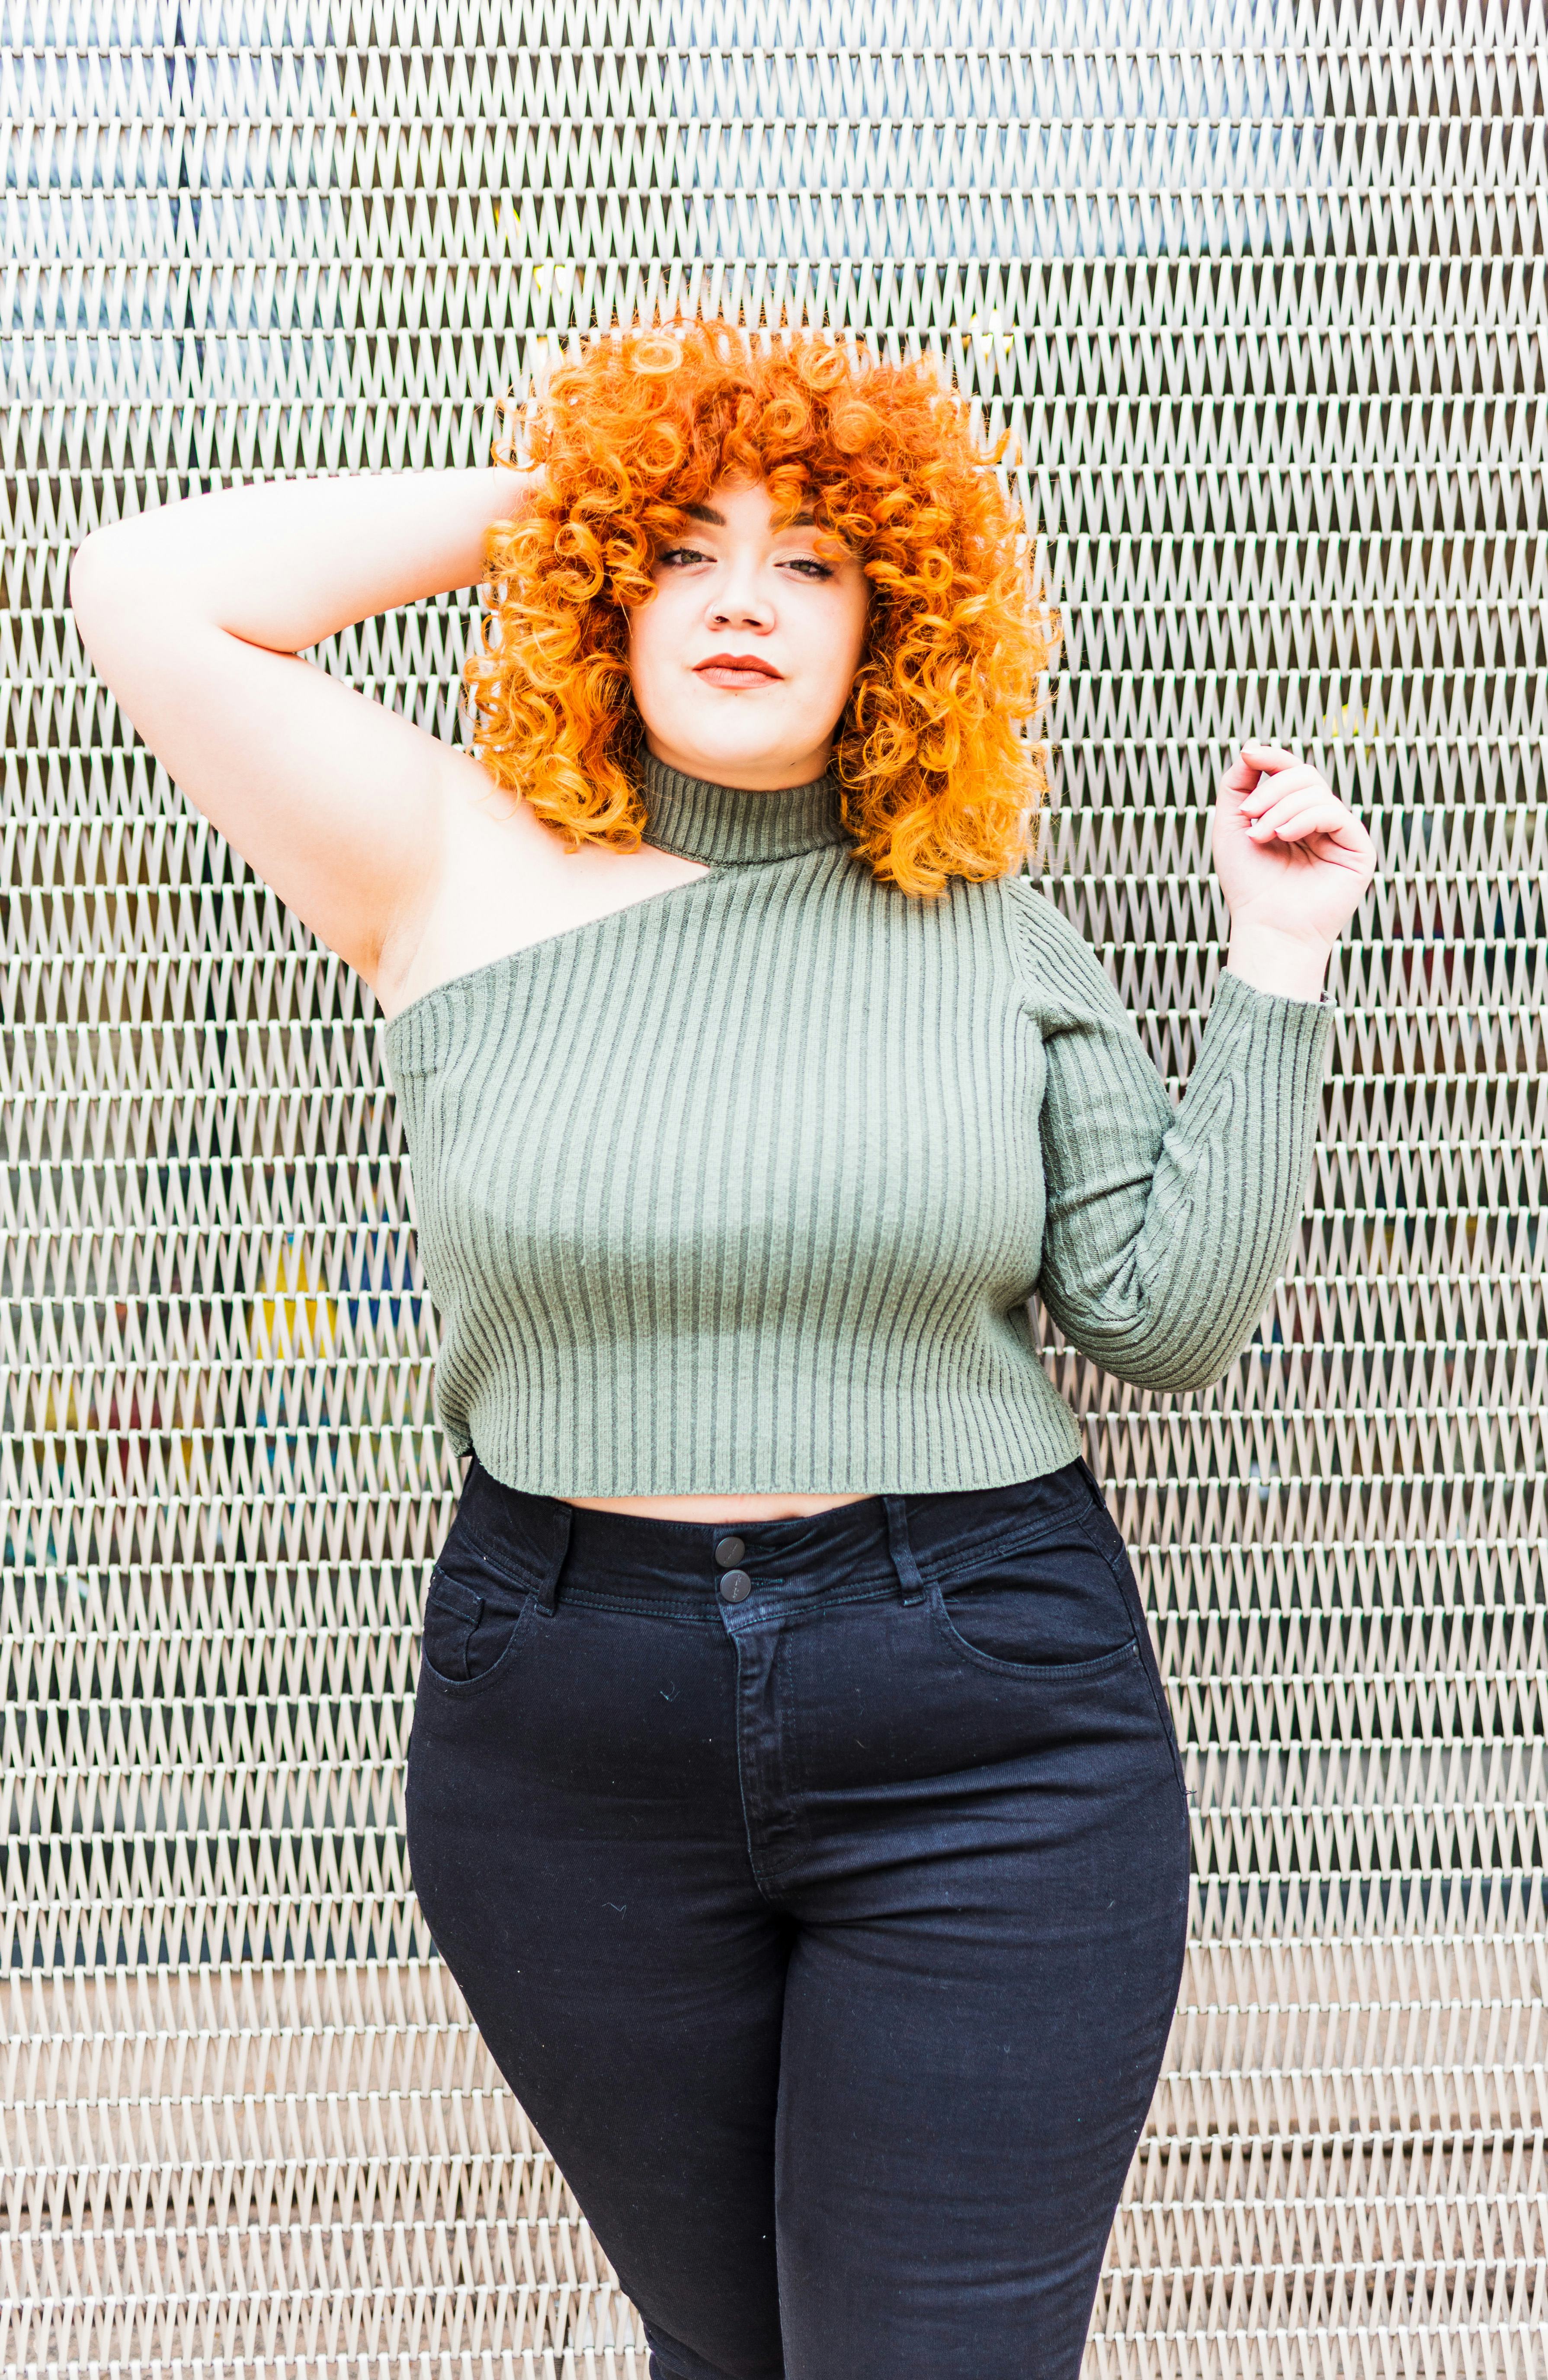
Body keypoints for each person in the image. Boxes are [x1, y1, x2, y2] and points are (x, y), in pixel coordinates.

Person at [71, 317, 1376, 2380]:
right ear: (604, 593)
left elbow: (1161, 1313)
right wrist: (588, 496)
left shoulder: (990, 932)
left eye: (817, 563)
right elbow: (145, 587)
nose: (748, 601)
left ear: (900, 628)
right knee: (732, 2345)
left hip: (985, 1720)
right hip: (568, 1731)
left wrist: (1276, 962)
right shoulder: (443, 867)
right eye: (686, 557)